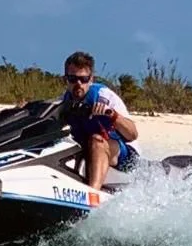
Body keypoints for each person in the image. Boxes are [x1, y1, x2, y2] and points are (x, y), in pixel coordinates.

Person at [58, 51, 140, 192]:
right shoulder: (63, 101)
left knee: (96, 140)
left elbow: (132, 134)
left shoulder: (104, 96)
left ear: (91, 79)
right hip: (88, 151)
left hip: (122, 156)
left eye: (83, 79)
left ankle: (93, 193)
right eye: (72, 79)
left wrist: (113, 115)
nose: (78, 84)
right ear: (65, 79)